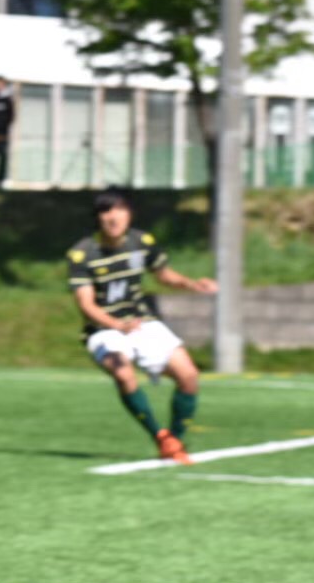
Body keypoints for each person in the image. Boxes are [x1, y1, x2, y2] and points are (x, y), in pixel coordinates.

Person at [69, 187, 217, 463]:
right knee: (123, 373)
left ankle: (174, 442)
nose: (113, 217)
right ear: (98, 217)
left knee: (189, 375)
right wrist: (116, 324)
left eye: (120, 209)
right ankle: (159, 435)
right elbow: (86, 305)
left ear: (129, 214)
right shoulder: (82, 254)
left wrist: (192, 283)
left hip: (141, 322)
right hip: (104, 329)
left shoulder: (141, 241)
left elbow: (163, 275)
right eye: (106, 211)